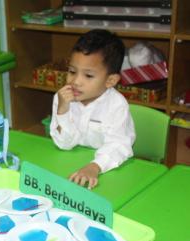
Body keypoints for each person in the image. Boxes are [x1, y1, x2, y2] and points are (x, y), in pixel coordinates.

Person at [50, 29, 135, 189]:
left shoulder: (117, 105)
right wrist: (63, 109)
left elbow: (119, 145)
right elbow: (64, 144)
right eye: (72, 71)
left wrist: (94, 167)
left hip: (108, 170)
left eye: (88, 76)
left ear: (110, 80)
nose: (76, 81)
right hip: (69, 166)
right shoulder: (63, 98)